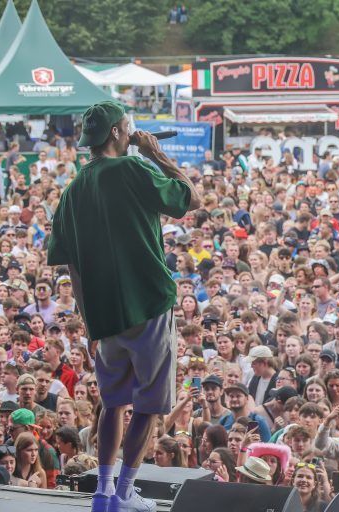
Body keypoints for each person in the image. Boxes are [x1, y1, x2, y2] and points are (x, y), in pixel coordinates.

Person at [47, 101, 200, 512]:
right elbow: (190, 198)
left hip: (104, 315)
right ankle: (125, 491)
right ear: (117, 133)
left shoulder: (73, 189)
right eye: (128, 127)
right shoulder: (134, 168)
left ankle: (102, 490)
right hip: (148, 302)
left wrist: (88, 322)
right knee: (149, 404)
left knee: (112, 402)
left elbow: (72, 265)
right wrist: (156, 154)